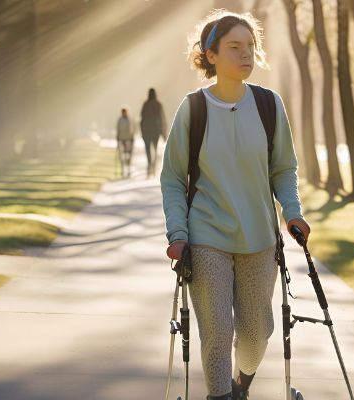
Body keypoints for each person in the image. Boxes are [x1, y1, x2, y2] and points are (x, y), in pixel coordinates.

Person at [160, 9, 311, 400]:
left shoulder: (268, 105)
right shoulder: (192, 109)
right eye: (234, 47)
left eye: (250, 46)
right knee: (217, 330)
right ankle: (220, 396)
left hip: (259, 238)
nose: (246, 54)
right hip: (207, 235)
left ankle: (240, 386)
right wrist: (178, 233)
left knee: (256, 332)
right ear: (211, 55)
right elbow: (173, 178)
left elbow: (283, 169)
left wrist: (292, 212)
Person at [140, 88, 167, 177]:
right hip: (156, 131)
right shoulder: (158, 105)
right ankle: (154, 167)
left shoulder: (145, 104)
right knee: (155, 149)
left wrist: (142, 131)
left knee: (148, 149)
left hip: (147, 130)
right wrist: (164, 133)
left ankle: (149, 165)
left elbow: (142, 118)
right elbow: (162, 119)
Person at [116, 106, 135, 178]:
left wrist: (132, 139)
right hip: (122, 139)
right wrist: (117, 139)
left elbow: (132, 130)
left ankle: (129, 170)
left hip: (129, 140)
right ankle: (123, 170)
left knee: (128, 156)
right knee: (122, 156)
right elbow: (118, 129)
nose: (124, 113)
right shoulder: (120, 120)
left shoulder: (130, 119)